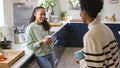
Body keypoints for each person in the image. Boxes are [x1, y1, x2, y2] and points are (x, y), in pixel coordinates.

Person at [74, 0, 120, 68]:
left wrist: (80, 61)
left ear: (84, 12)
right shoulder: (106, 28)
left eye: (80, 10)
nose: (79, 14)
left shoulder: (90, 37)